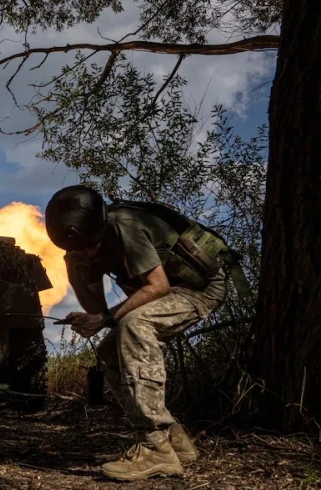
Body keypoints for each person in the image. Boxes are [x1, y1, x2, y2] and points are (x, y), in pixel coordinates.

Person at [44, 185, 239, 481]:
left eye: (89, 245)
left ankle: (154, 447)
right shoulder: (83, 247)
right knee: (108, 350)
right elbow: (96, 308)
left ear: (99, 225)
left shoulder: (126, 227)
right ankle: (174, 439)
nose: (85, 251)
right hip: (168, 291)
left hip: (199, 288)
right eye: (76, 248)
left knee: (135, 324)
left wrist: (105, 317)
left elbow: (157, 287)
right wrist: (78, 273)